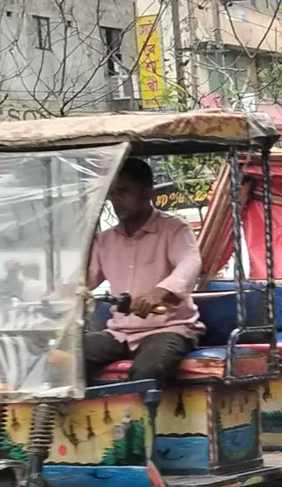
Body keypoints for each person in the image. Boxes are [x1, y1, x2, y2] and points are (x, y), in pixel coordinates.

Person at [84, 158, 203, 385]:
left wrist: (159, 292)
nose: (116, 199)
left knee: (148, 369)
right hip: (119, 332)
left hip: (168, 328)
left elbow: (190, 263)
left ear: (147, 192)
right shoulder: (105, 241)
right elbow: (83, 281)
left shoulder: (174, 229)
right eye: (112, 193)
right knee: (67, 358)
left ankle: (141, 410)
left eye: (124, 192)